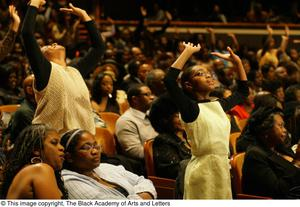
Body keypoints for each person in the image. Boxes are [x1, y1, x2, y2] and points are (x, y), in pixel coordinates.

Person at [164, 42, 249, 199]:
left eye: (208, 73)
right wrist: (187, 52)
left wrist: (237, 63)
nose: (208, 75)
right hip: (202, 172)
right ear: (188, 85)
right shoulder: (190, 109)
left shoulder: (218, 104)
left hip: (223, 169)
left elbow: (243, 91)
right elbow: (169, 80)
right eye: (200, 74)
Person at [21, 0, 105, 134]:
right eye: (47, 46)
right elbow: (27, 34)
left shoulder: (74, 70)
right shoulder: (45, 71)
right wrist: (35, 4)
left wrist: (85, 16)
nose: (53, 43)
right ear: (42, 57)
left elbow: (99, 47)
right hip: (53, 140)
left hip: (80, 139)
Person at [60, 129, 157, 199]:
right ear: (69, 157)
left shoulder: (104, 167)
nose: (95, 151)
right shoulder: (69, 181)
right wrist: (145, 196)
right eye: (86, 147)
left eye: (95, 145)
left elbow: (143, 180)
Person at [242, 107, 300, 199]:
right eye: (280, 126)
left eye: (284, 126)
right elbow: (277, 191)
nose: (285, 130)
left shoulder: (279, 147)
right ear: (265, 130)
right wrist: (297, 162)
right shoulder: (255, 155)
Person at [1, 124, 67, 199]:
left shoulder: (29, 170)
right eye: (54, 143)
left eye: (60, 143)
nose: (62, 148)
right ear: (36, 149)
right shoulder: (40, 169)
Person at [149, 93, 191, 179]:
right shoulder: (163, 141)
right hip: (182, 186)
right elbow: (174, 171)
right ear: (164, 119)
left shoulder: (188, 136)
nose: (183, 118)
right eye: (177, 116)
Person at [115, 84, 157, 160]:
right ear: (135, 99)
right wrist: (164, 154)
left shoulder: (153, 115)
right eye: (146, 95)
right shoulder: (126, 121)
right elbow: (137, 152)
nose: (152, 97)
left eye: (151, 94)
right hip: (147, 165)